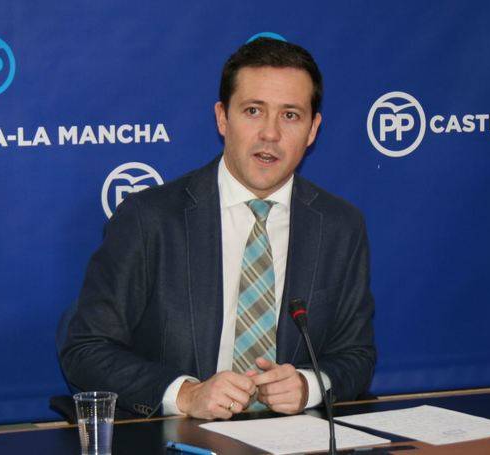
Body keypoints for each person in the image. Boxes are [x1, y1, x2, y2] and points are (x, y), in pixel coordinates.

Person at [60, 37, 375, 420]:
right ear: (223, 118)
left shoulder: (340, 226)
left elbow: (356, 355)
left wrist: (309, 386)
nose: (271, 134)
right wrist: (185, 394)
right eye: (254, 111)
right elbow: (86, 348)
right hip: (178, 437)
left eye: (291, 115)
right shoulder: (149, 219)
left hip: (293, 438)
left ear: (313, 130)